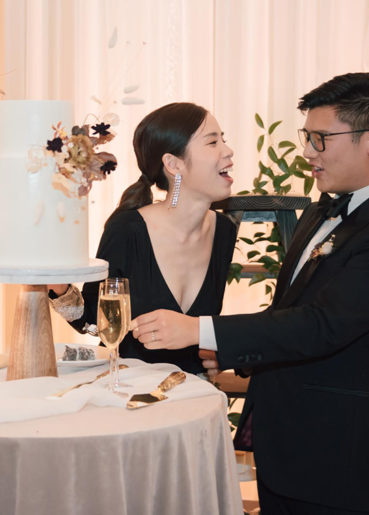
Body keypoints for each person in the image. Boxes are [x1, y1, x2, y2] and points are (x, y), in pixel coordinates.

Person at [177, 73, 369, 514]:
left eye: (321, 139)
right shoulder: (321, 209)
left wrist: (200, 330)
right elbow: (292, 309)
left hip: (343, 458)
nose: (308, 152)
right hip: (288, 449)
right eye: (307, 137)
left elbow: (324, 325)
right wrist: (237, 354)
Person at [50, 102, 237, 375]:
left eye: (223, 139)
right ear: (173, 164)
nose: (228, 151)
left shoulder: (224, 231)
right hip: (127, 386)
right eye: (212, 142)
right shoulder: (128, 229)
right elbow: (93, 321)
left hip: (193, 390)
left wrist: (218, 350)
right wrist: (58, 288)